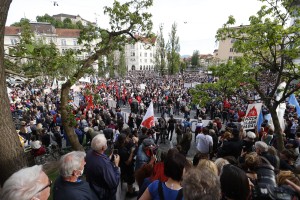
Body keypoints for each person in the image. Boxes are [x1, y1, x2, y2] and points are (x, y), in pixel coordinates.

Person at [85, 134, 120, 200]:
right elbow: (114, 183)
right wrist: (116, 165)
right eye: (106, 143)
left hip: (93, 188)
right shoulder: (105, 165)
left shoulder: (89, 153)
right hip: (104, 194)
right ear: (103, 147)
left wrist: (107, 158)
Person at [114, 133, 138, 197]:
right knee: (130, 179)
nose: (128, 139)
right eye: (126, 138)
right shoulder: (122, 151)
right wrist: (132, 152)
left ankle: (130, 189)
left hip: (121, 165)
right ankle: (130, 192)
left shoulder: (117, 145)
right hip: (126, 167)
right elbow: (128, 162)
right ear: (124, 140)